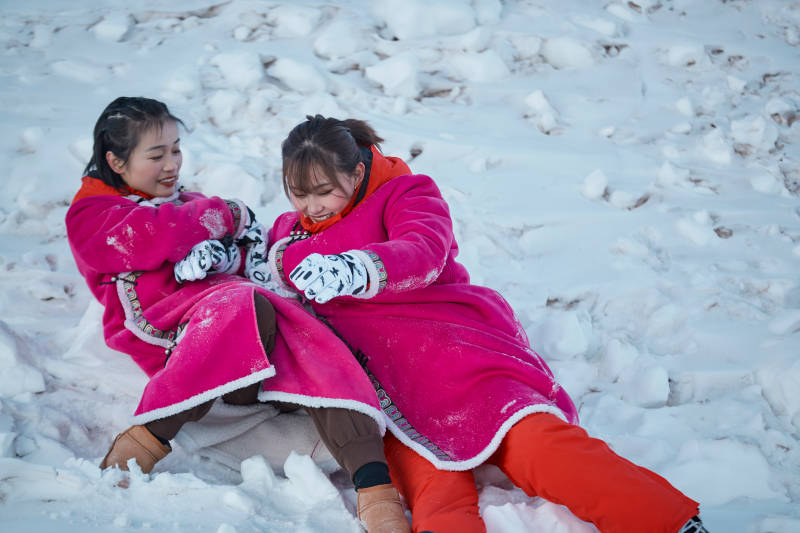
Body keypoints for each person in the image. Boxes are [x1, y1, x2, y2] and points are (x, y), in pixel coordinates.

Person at [190, 114, 709, 533]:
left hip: (456, 355)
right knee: (433, 489)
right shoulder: (291, 234)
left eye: (322, 191)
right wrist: (217, 260)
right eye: (297, 193)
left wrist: (360, 267)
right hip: (391, 392)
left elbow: (425, 251)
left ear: (356, 171)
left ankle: (668, 522)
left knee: (537, 446)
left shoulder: (406, 194)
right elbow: (265, 271)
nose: (310, 206)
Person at [65, 98, 412, 533]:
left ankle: (374, 487)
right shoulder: (93, 216)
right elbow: (152, 236)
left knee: (309, 335)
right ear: (115, 161)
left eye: (176, 149)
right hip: (184, 344)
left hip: (248, 330)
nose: (172, 163)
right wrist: (226, 215)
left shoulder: (181, 202)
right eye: (156, 155)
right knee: (244, 305)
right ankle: (145, 440)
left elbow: (249, 255)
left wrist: (231, 253)